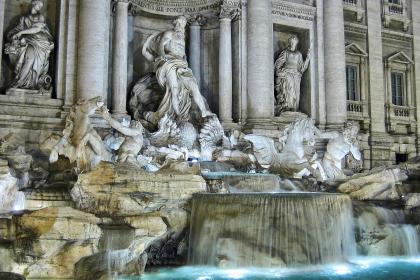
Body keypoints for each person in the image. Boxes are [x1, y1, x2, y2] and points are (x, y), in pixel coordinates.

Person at [142, 16, 214, 126]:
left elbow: (183, 53)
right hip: (169, 61)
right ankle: (177, 113)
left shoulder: (182, 37)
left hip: (182, 64)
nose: (181, 27)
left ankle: (204, 111)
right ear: (176, 24)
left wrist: (185, 60)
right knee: (173, 88)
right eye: (180, 24)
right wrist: (162, 56)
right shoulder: (169, 33)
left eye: (183, 25)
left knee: (194, 87)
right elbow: (160, 46)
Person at [5, 0, 54, 90]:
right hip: (28, 41)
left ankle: (20, 82)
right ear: (33, 4)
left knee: (30, 57)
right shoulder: (24, 18)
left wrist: (20, 33)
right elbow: (18, 28)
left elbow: (36, 29)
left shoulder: (40, 17)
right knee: (28, 55)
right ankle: (22, 81)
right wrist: (12, 35)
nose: (40, 8)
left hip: (40, 42)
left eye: (41, 6)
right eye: (39, 6)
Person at [275, 35, 310, 113]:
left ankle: (295, 108)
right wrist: (281, 70)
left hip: (296, 75)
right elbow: (278, 63)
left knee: (296, 92)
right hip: (287, 73)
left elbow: (302, 68)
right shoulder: (285, 52)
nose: (293, 42)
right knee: (289, 91)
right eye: (292, 41)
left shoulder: (299, 54)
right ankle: (288, 108)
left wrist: (308, 58)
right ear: (290, 42)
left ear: (296, 43)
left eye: (294, 41)